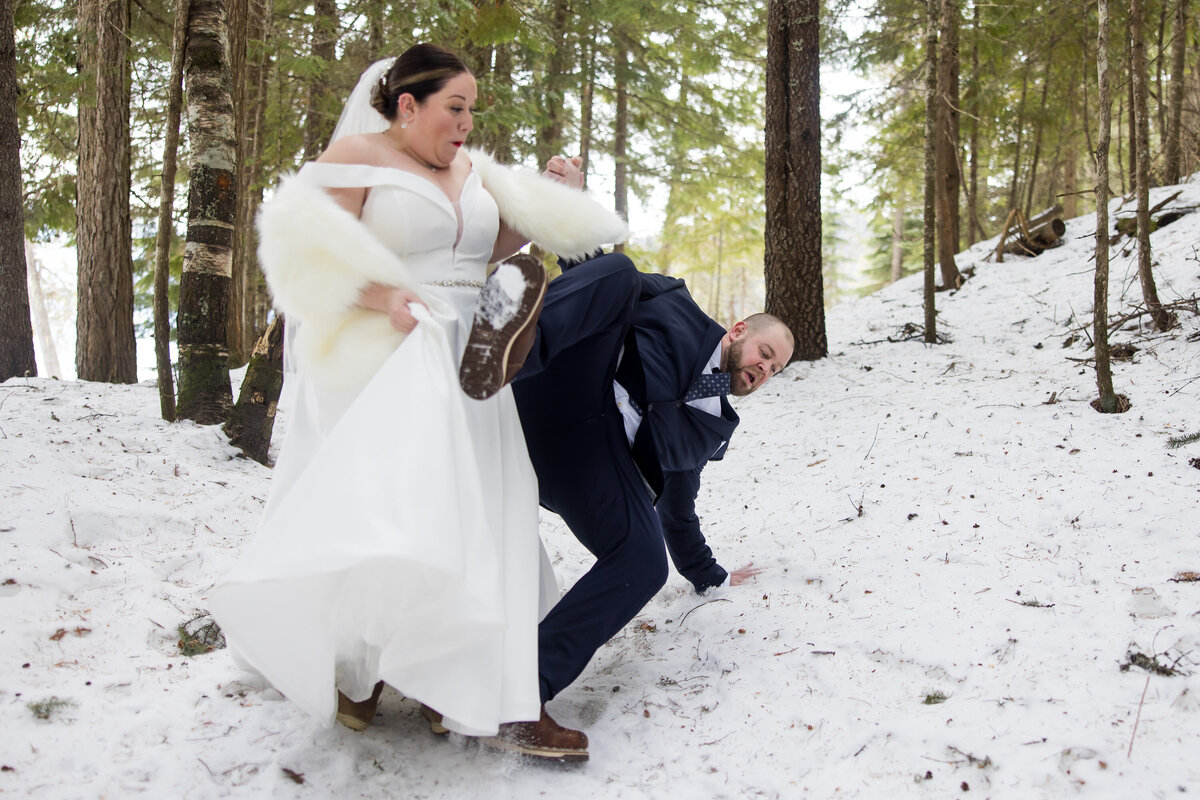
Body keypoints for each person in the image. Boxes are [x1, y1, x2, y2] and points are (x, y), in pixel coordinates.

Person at [207, 44, 626, 759]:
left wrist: (556, 195)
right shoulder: (354, 158)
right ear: (409, 105)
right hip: (396, 352)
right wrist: (385, 294)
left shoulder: (471, 169)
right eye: (454, 108)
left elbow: (492, 247)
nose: (466, 123)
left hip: (476, 354)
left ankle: (459, 678)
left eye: (471, 109)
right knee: (401, 513)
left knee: (484, 509)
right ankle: (363, 666)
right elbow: (306, 258)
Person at [507, 250, 795, 737]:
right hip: (560, 390)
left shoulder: (714, 427)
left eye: (775, 371)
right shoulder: (674, 303)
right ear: (740, 330)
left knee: (644, 563)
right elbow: (595, 278)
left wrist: (711, 576)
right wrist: (571, 228)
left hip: (590, 464)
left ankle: (516, 691)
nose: (764, 371)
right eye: (765, 355)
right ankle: (505, 344)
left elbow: (679, 508)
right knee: (618, 271)